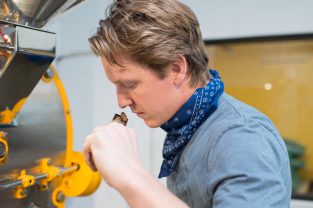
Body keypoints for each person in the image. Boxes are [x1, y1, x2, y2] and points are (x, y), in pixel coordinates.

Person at [83, 0, 292, 207]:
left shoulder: (243, 140)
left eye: (129, 83)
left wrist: (128, 172)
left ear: (176, 69)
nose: (121, 101)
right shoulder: (186, 130)